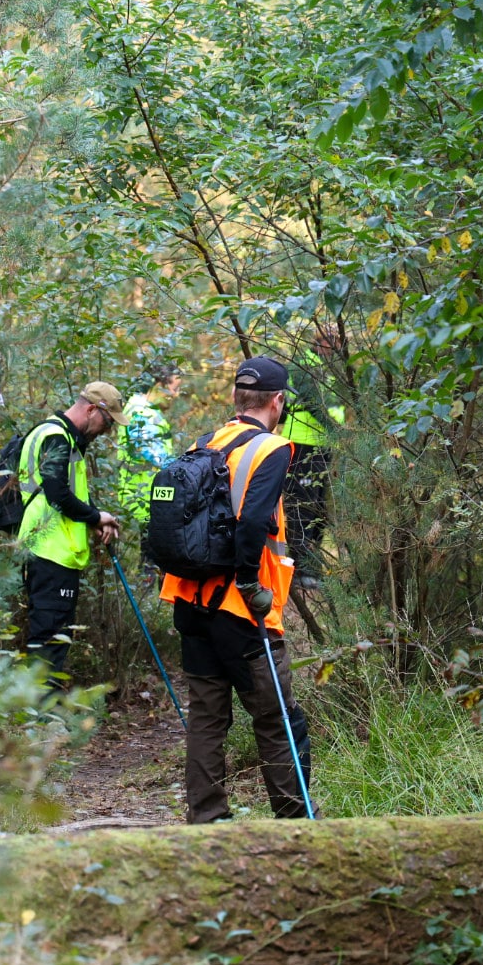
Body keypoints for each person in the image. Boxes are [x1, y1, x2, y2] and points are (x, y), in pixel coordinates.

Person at [160, 356, 317, 822]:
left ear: (235, 398)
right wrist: (251, 584)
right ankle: (295, 824)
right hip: (242, 611)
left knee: (207, 719)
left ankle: (207, 821)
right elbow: (251, 523)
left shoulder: (203, 443)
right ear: (279, 401)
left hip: (190, 602)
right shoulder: (272, 449)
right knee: (278, 719)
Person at [16, 382, 126, 680]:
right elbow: (56, 494)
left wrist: (95, 520)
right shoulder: (56, 438)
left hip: (51, 549)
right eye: (107, 422)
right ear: (92, 409)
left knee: (53, 634)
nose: (107, 431)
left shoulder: (59, 436)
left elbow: (66, 493)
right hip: (50, 550)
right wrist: (94, 514)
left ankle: (41, 712)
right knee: (50, 637)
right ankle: (41, 717)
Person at [278, 328, 345, 588]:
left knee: (318, 510)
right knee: (302, 509)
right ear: (320, 341)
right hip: (303, 446)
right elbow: (313, 404)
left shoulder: (331, 368)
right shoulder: (304, 364)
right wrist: (339, 434)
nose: (337, 346)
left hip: (322, 447)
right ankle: (301, 571)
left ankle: (310, 569)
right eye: (333, 341)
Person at [115, 364, 183, 561]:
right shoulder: (140, 412)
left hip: (148, 496)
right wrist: (182, 469)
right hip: (142, 498)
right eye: (174, 388)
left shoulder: (146, 410)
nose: (176, 394)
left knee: (151, 556)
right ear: (158, 384)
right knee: (152, 558)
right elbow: (153, 452)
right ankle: (145, 590)